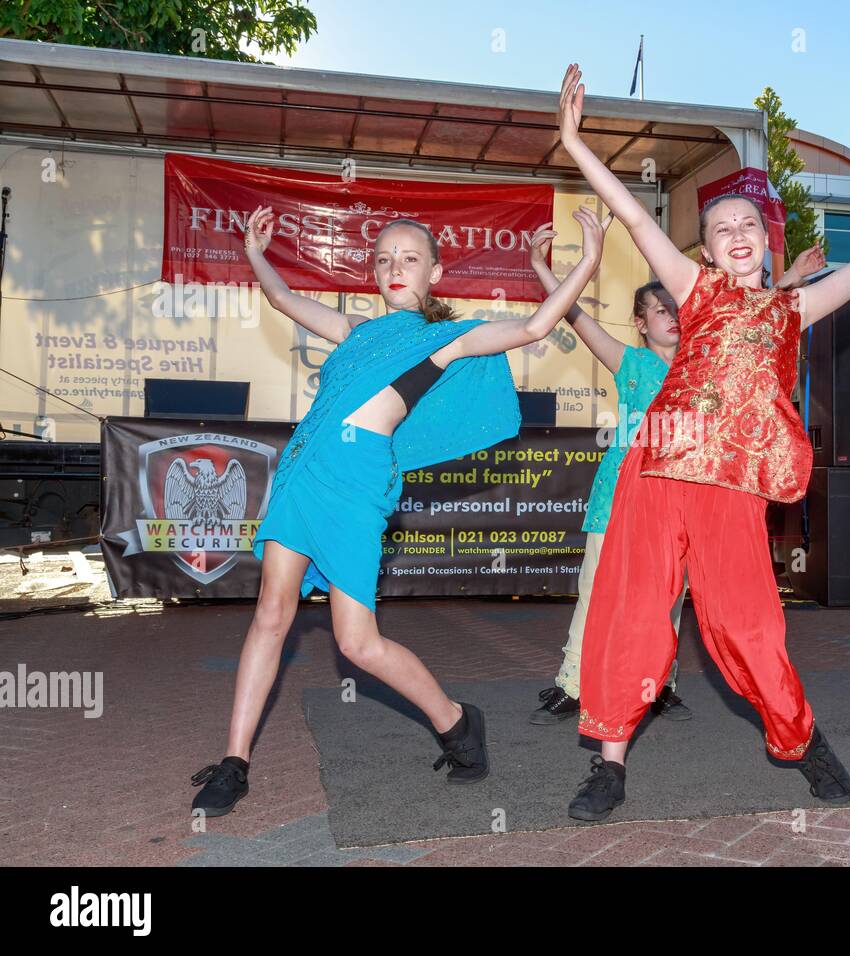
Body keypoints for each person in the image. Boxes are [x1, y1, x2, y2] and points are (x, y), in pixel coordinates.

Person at [555, 62, 850, 820]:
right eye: (719, 230)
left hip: (731, 480)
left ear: (767, 247)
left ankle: (800, 738)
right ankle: (609, 762)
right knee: (633, 609)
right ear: (704, 253)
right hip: (660, 461)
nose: (735, 236)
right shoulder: (696, 291)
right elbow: (637, 222)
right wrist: (575, 144)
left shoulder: (791, 310)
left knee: (749, 625)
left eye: (747, 227)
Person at [189, 204, 610, 815]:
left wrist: (589, 261)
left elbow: (533, 327)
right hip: (301, 473)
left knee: (357, 644)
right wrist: (255, 252)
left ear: (434, 273)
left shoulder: (442, 338)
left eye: (410, 259)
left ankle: (458, 722)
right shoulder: (358, 334)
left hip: (357, 486)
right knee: (270, 615)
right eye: (384, 259)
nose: (394, 268)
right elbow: (284, 301)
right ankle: (234, 763)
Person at [528, 236, 826, 726]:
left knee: (669, 600)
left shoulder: (706, 363)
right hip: (619, 502)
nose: (671, 315)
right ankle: (573, 683)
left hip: (685, 501)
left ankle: (658, 685)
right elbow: (574, 316)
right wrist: (543, 268)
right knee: (599, 594)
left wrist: (792, 277)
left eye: (675, 306)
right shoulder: (630, 363)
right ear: (640, 324)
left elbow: (755, 309)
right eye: (657, 309)